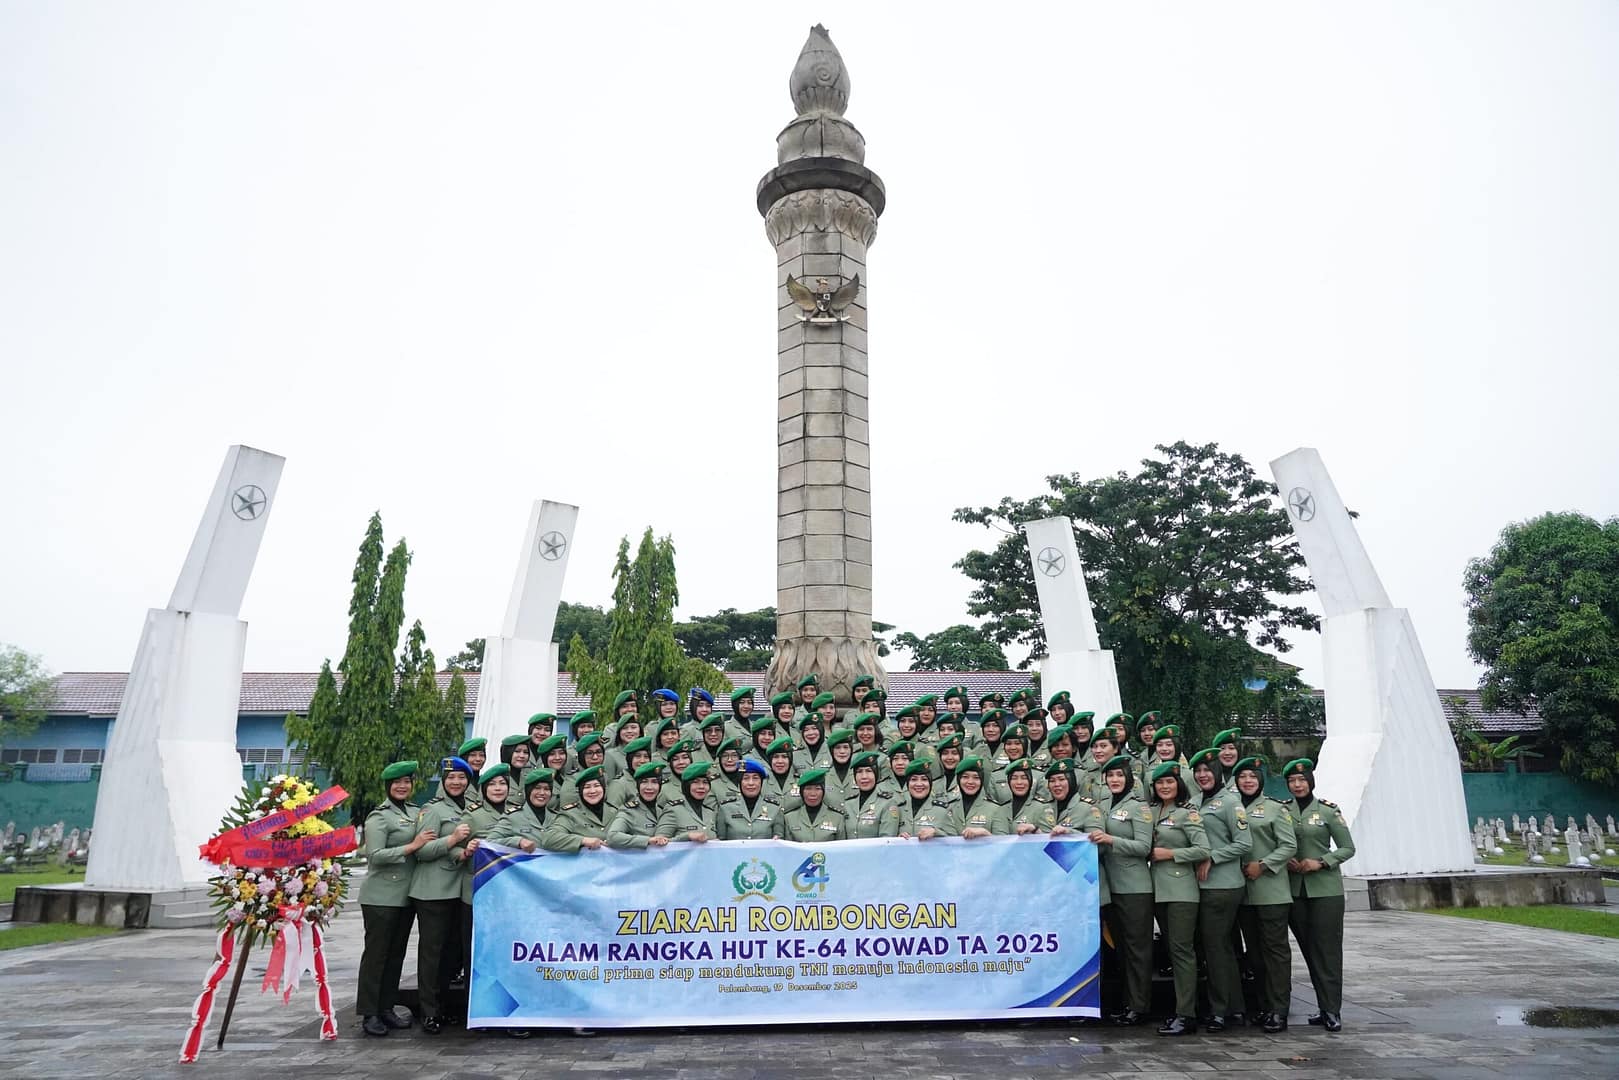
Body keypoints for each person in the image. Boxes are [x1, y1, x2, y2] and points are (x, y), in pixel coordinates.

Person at [358, 760, 432, 1037]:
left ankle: (387, 1007)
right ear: (388, 786)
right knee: (376, 957)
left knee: (395, 955)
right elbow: (375, 855)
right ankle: (370, 1013)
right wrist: (413, 846)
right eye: (397, 782)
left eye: (407, 782)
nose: (402, 786)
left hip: (406, 896)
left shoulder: (414, 811)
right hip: (381, 897)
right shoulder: (379, 816)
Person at [1284, 758, 1356, 1033]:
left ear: (1310, 782)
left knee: (1327, 950)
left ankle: (1332, 1009)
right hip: (1294, 889)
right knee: (1309, 951)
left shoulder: (1327, 810)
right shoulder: (1283, 810)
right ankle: (1322, 1005)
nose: (1297, 785)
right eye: (1292, 781)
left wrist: (1322, 862)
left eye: (1302, 780)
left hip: (1325, 890)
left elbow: (1347, 848)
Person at [408, 757, 477, 1034]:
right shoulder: (433, 810)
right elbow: (421, 851)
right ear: (443, 781)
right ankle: (429, 1012)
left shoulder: (471, 806)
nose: (456, 782)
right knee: (432, 954)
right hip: (433, 891)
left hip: (459, 890)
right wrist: (452, 839)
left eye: (461, 778)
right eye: (451, 778)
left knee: (451, 954)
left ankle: (445, 1007)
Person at [1188, 748, 1252, 1032]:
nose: (1203, 775)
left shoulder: (1230, 802)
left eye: (1207, 770)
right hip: (1201, 886)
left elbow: (1244, 843)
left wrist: (1212, 857)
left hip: (1223, 885)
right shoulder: (1195, 801)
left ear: (1217, 772)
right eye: (1198, 771)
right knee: (1217, 948)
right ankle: (1233, 1007)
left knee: (1216, 947)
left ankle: (1220, 1010)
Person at [1088, 754, 1154, 1026]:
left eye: (1119, 775)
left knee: (1137, 950)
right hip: (1110, 888)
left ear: (1129, 779)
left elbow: (1144, 847)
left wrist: (1110, 839)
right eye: (1110, 776)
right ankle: (1127, 1003)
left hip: (1134, 888)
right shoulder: (1102, 804)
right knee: (1122, 950)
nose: (1114, 780)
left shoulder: (1139, 807)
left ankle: (1139, 1006)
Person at [1232, 756, 1296, 1033]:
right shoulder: (1233, 806)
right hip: (1244, 893)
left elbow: (1289, 846)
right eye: (1242, 777)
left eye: (1252, 777)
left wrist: (1264, 865)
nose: (1247, 781)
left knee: (1275, 953)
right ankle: (1262, 1005)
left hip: (1271, 891)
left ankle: (1279, 1009)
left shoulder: (1274, 808)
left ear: (1261, 780)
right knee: (1255, 954)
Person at [1148, 761, 1209, 1036]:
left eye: (1169, 782)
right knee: (1173, 951)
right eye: (1160, 783)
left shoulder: (1187, 813)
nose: (1164, 786)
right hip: (1157, 888)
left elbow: (1203, 849)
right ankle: (1181, 1010)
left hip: (1181, 890)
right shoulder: (1151, 811)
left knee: (1182, 951)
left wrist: (1171, 854)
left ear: (1178, 784)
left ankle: (1186, 1014)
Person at [458, 763, 514, 990]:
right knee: (476, 950)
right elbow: (456, 849)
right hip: (479, 891)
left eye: (502, 784)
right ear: (483, 789)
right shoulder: (472, 816)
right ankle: (475, 1002)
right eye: (492, 785)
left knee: (507, 947)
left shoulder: (518, 813)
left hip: (511, 893)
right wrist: (467, 849)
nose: (498, 788)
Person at [541, 765, 611, 853]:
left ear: (603, 788)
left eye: (597, 786)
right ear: (580, 791)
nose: (593, 791)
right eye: (587, 787)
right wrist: (583, 840)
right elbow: (549, 838)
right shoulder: (571, 815)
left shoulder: (614, 812)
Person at [490, 768, 557, 852]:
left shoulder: (557, 817)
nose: (542, 793)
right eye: (537, 788)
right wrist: (518, 842)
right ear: (528, 791)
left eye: (546, 789)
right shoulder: (512, 817)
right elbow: (490, 842)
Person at [716, 758, 786, 838]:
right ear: (740, 782)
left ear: (761, 782)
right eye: (746, 778)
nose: (751, 783)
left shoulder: (774, 808)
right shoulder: (726, 808)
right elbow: (721, 842)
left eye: (755, 778)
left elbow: (780, 840)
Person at [608, 762, 671, 849]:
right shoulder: (629, 811)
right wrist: (647, 840)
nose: (649, 787)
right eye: (644, 782)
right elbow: (612, 837)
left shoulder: (662, 810)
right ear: (637, 785)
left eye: (654, 782)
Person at [657, 761, 720, 842]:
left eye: (705, 782)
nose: (701, 786)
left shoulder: (710, 812)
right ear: (687, 786)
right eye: (695, 782)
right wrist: (687, 836)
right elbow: (659, 842)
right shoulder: (673, 810)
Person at [780, 768, 847, 841]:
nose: (813, 794)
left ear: (823, 791)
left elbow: (841, 846)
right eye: (808, 789)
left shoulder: (837, 818)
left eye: (818, 789)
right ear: (801, 792)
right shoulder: (790, 818)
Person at [845, 751, 901, 837]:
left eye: (869, 771)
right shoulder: (848, 804)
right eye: (859, 772)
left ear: (876, 774)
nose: (864, 776)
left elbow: (887, 840)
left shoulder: (887, 803)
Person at [949, 757, 1008, 838]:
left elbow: (1004, 842)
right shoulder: (950, 807)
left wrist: (985, 833)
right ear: (959, 780)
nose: (970, 782)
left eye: (976, 778)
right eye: (965, 777)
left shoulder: (996, 809)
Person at [897, 761, 955, 839]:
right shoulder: (899, 810)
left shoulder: (942, 811)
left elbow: (955, 840)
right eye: (914, 779)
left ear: (930, 784)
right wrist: (897, 839)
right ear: (908, 784)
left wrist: (936, 832)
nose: (919, 784)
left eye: (924, 779)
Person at [1004, 758, 1055, 834]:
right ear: (1009, 782)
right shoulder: (1002, 809)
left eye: (1024, 778)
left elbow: (1050, 838)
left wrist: (1035, 830)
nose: (1019, 782)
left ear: (1030, 781)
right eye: (1014, 778)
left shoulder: (1042, 808)